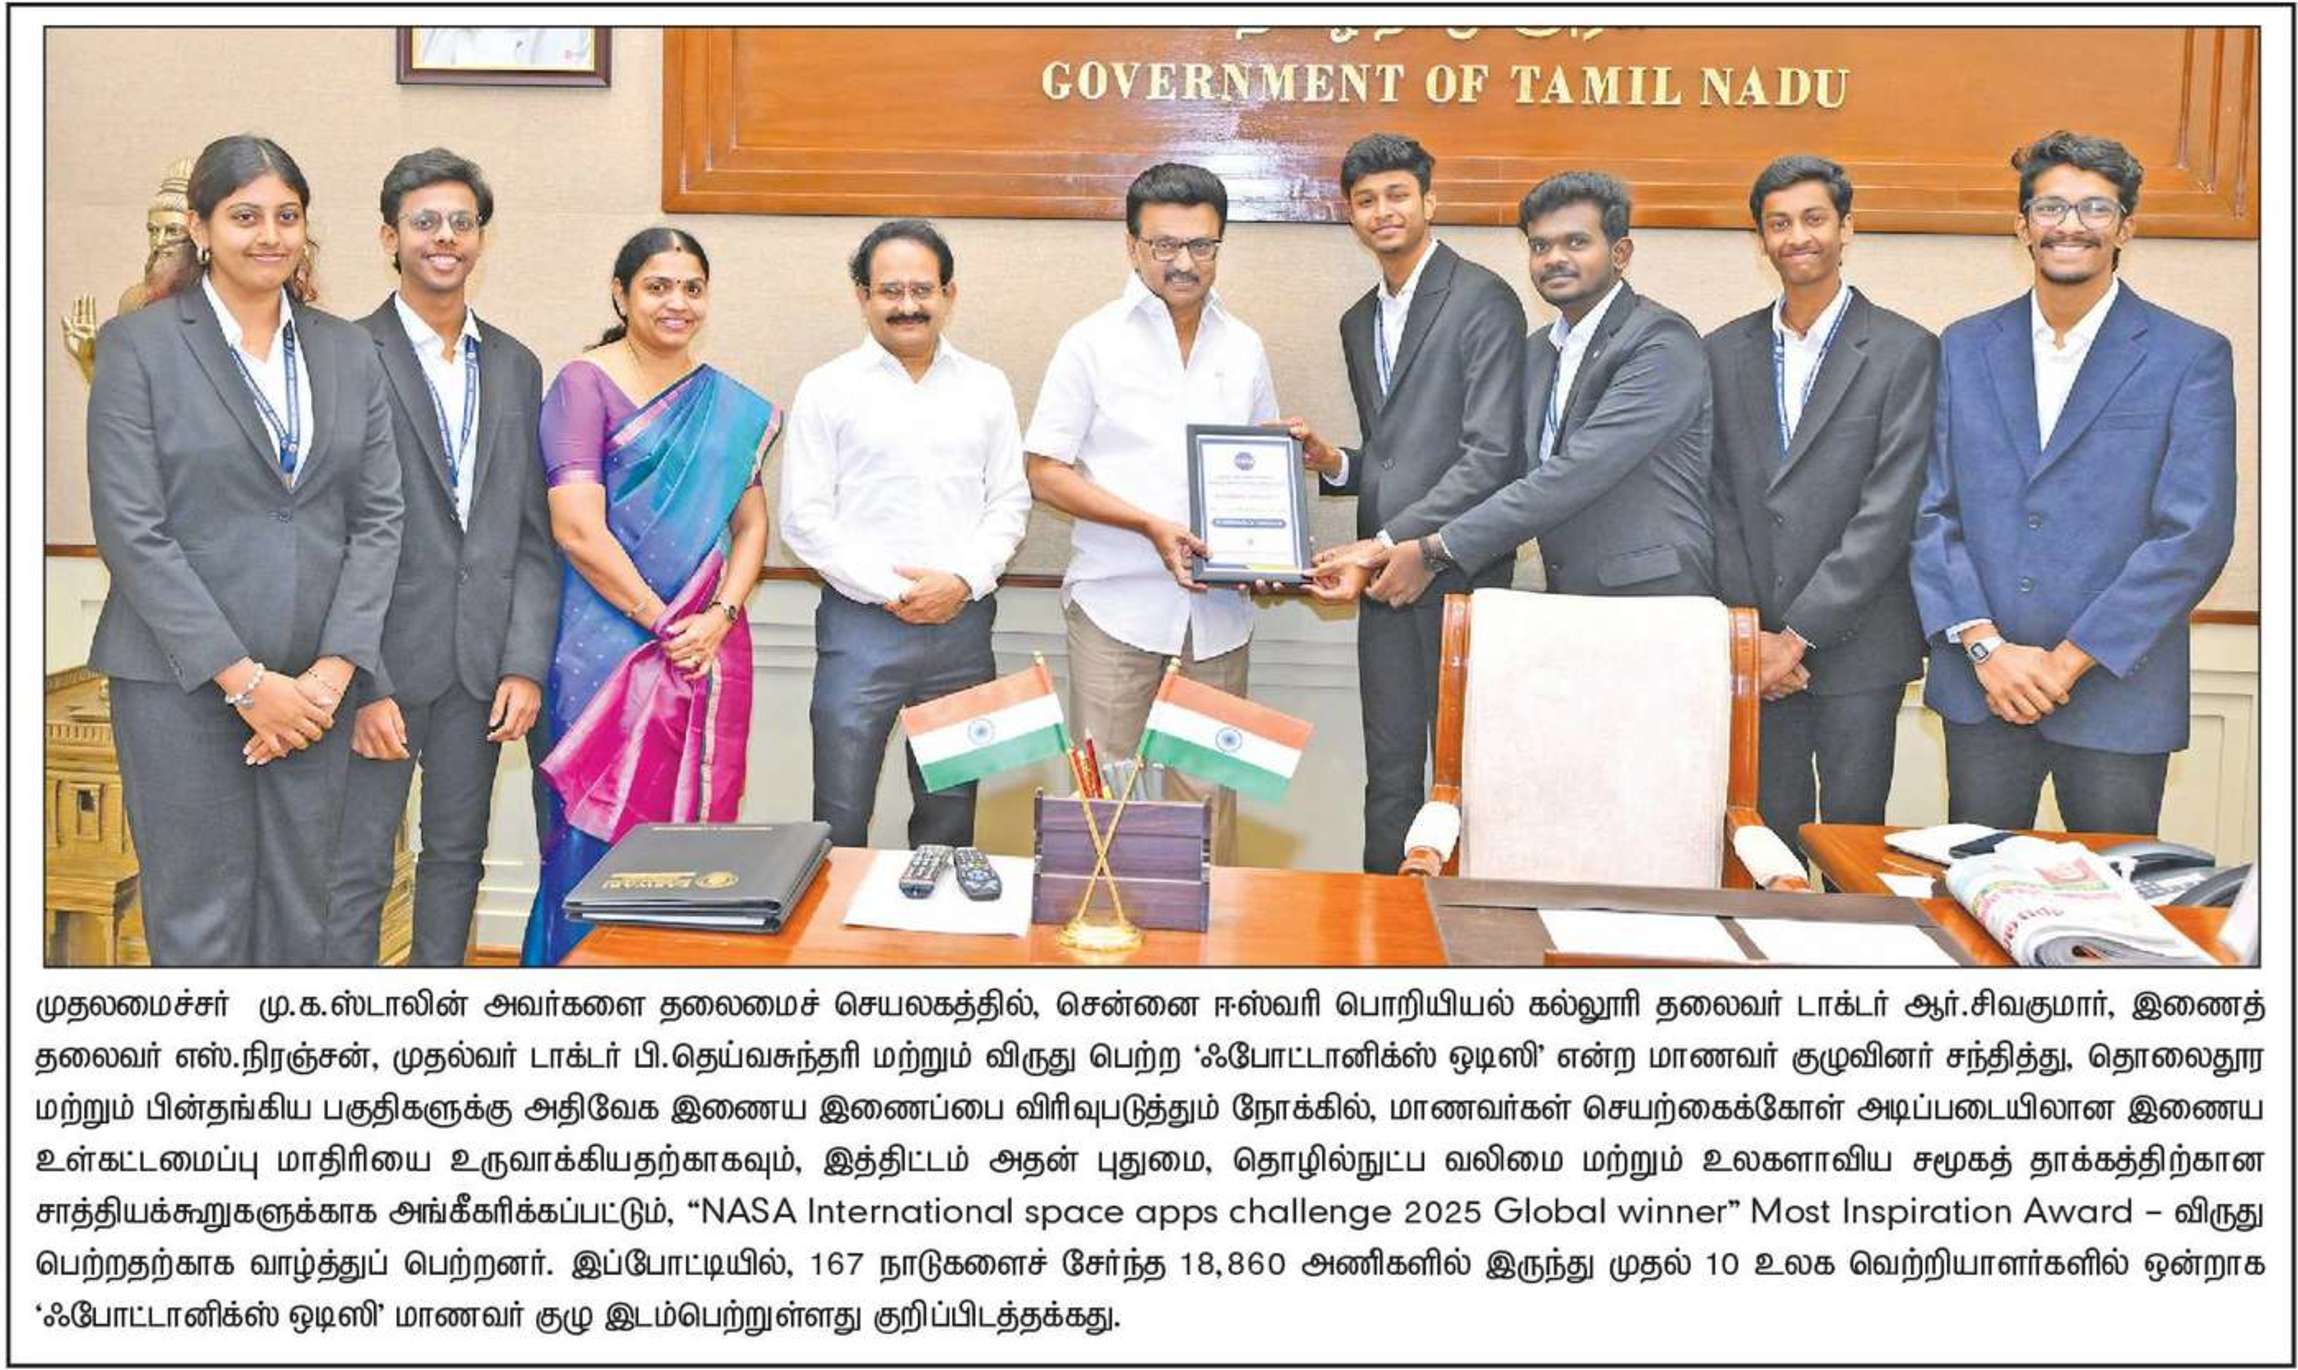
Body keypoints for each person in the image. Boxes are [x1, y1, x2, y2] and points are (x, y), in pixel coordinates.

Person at [85, 133, 403, 965]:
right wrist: (247, 683)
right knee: (201, 925)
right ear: (199, 228)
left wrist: (330, 675)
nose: (270, 235)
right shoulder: (140, 345)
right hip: (181, 684)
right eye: (245, 216)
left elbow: (380, 518)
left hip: (315, 694)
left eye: (287, 216)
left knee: (307, 920)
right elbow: (131, 528)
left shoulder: (349, 351)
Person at [1911, 130, 2235, 834]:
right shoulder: (1965, 346)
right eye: (2051, 207)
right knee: (1977, 889)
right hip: (1985, 689)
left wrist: (2064, 664)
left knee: (2115, 896)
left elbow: (2192, 535)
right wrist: (1987, 650)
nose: (2071, 225)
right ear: (2022, 225)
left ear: (2126, 228)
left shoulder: (2189, 354)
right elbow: (1932, 510)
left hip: (2118, 692)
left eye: (2095, 208)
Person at [323, 149, 559, 966]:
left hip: (480, 669)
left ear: (481, 239)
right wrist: (361, 680)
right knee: (355, 869)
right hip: (379, 666)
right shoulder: (344, 354)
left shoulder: (517, 365)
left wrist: (523, 664)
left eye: (462, 222)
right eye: (426, 222)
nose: (446, 237)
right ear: (390, 237)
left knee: (458, 858)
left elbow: (531, 535)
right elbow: (330, 534)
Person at [519, 227, 780, 965]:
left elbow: (752, 523)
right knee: (589, 833)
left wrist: (720, 615)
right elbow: (577, 529)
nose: (677, 303)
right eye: (658, 286)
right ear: (621, 293)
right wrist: (666, 624)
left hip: (705, 646)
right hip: (604, 648)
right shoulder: (584, 383)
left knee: (686, 845)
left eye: (692, 288)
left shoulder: (729, 404)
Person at [1023, 163, 1279, 864]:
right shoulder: (1091, 341)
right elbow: (1044, 470)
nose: (1184, 262)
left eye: (1201, 245)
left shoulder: (1243, 345)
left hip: (1218, 619)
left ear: (1219, 246)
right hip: (1118, 610)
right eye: (1165, 245)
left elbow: (1258, 464)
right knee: (1103, 807)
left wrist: (1266, 552)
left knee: (1210, 814)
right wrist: (1147, 525)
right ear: (1132, 247)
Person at [1287, 131, 1527, 874]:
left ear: (1430, 201)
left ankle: (1468, 925)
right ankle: (1382, 921)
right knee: (1389, 771)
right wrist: (1335, 464)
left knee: (1464, 773)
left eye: (1398, 195)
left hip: (1460, 570)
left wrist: (1388, 539)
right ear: (1350, 215)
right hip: (1385, 581)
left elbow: (1493, 456)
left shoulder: (1484, 298)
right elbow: (1396, 456)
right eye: (1366, 200)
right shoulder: (1358, 319)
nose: (1383, 211)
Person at [1706, 154, 1938, 864]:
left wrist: (1799, 635)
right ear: (1761, 240)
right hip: (1759, 654)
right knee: (1764, 847)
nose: (1797, 237)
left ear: (1846, 228)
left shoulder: (1905, 349)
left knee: (1852, 850)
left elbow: (1889, 508)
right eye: (1778, 224)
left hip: (1860, 646)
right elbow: (1715, 501)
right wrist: (1755, 635)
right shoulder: (1721, 351)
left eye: (1813, 219)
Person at [780, 220, 1029, 848]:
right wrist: (899, 592)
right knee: (839, 813)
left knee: (951, 817)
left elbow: (1009, 501)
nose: (908, 305)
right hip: (860, 627)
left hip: (962, 627)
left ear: (949, 294)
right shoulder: (827, 388)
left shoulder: (987, 386)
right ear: (863, 297)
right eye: (890, 291)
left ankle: (935, 914)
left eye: (923, 289)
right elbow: (804, 518)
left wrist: (960, 582)